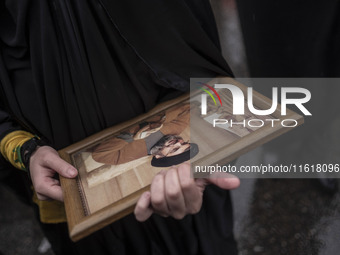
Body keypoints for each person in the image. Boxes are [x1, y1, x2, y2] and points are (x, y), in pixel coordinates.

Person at [0, 1, 240, 254]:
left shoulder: (137, 149)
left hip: (185, 201)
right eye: (179, 144)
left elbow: (194, 47)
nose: (175, 143)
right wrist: (25, 148)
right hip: (79, 202)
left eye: (174, 148)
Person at [92, 103, 199, 167]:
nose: (177, 143)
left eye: (174, 150)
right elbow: (188, 108)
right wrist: (160, 120)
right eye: (183, 143)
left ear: (158, 156)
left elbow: (99, 155)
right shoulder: (176, 129)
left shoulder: (131, 154)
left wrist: (130, 136)